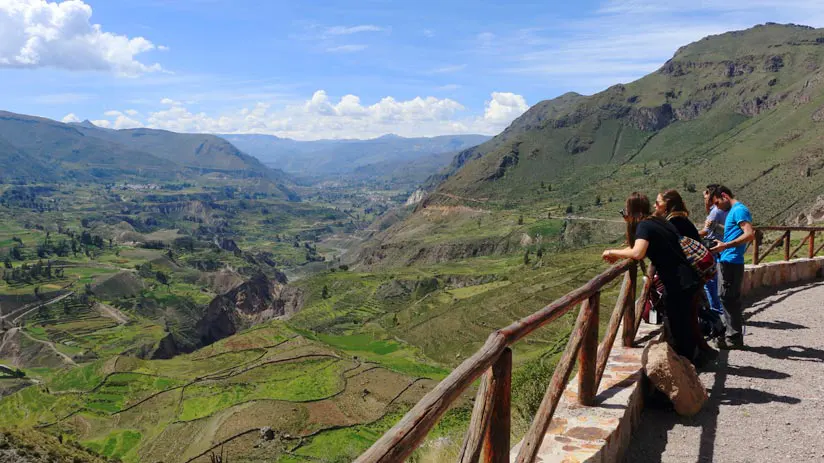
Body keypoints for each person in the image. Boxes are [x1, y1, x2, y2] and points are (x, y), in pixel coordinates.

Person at [603, 193, 703, 364]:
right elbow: (640, 246)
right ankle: (690, 367)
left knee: (677, 332)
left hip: (677, 283)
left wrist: (612, 252)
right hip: (688, 279)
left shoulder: (644, 225)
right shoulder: (658, 221)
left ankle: (684, 373)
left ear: (631, 211)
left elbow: (637, 252)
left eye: (625, 212)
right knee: (684, 327)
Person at [709, 185, 755, 349]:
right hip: (729, 259)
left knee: (727, 298)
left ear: (724, 196)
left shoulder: (739, 210)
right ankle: (732, 336)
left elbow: (749, 234)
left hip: (731, 261)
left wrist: (725, 245)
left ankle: (733, 338)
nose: (716, 207)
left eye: (716, 203)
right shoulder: (734, 212)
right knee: (727, 298)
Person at [699, 185, 728, 325]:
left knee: (710, 285)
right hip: (720, 249)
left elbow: (705, 231)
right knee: (716, 284)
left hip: (713, 249)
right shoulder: (721, 210)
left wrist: (687, 235)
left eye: (705, 196)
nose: (704, 199)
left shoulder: (715, 212)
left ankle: (716, 317)